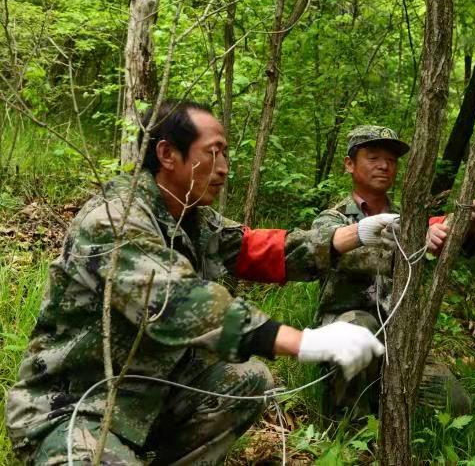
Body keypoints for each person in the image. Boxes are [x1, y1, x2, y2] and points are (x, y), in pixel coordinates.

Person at [5, 100, 397, 465]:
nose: (224, 166)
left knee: (247, 380)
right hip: (75, 405)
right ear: (167, 154)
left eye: (225, 153)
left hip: (152, 397)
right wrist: (305, 341)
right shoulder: (115, 219)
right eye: (213, 152)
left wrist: (354, 235)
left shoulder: (195, 218)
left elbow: (258, 248)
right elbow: (178, 303)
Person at [312, 125, 475, 419]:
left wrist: (466, 222)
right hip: (349, 337)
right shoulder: (333, 218)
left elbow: (452, 243)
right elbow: (337, 251)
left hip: (398, 345)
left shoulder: (410, 218)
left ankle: (387, 403)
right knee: (358, 328)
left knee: (456, 404)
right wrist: (410, 242)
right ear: (349, 164)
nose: (384, 165)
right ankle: (347, 430)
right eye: (373, 157)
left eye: (391, 160)